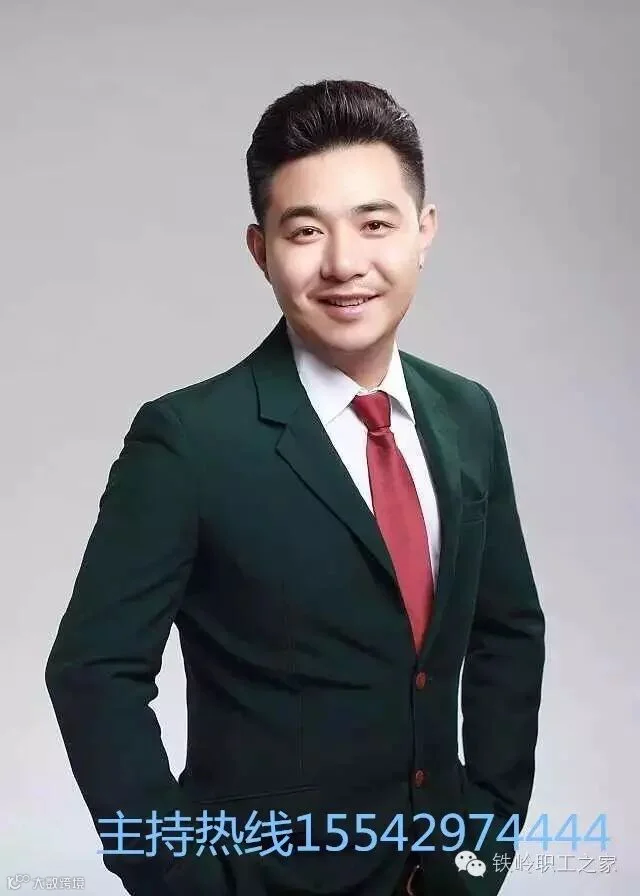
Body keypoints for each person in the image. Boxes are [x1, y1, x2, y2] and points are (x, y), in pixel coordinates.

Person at [45, 79, 545, 896]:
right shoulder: (189, 440)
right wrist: (185, 882)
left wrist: (482, 846)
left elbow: (507, 633)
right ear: (260, 250)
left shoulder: (467, 414)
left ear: (424, 231)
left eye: (375, 224)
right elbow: (92, 674)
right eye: (306, 230)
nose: (344, 263)